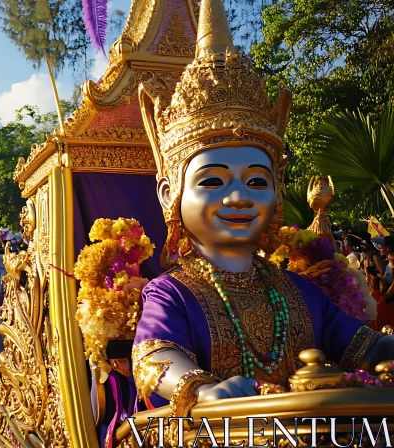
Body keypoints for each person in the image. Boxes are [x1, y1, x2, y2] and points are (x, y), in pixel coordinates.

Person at [128, 0, 393, 429]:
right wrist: (200, 388)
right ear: (169, 193)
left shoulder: (297, 292)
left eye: (256, 182)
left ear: (277, 187)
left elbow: (364, 347)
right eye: (213, 182)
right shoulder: (171, 294)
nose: (239, 197)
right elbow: (154, 354)